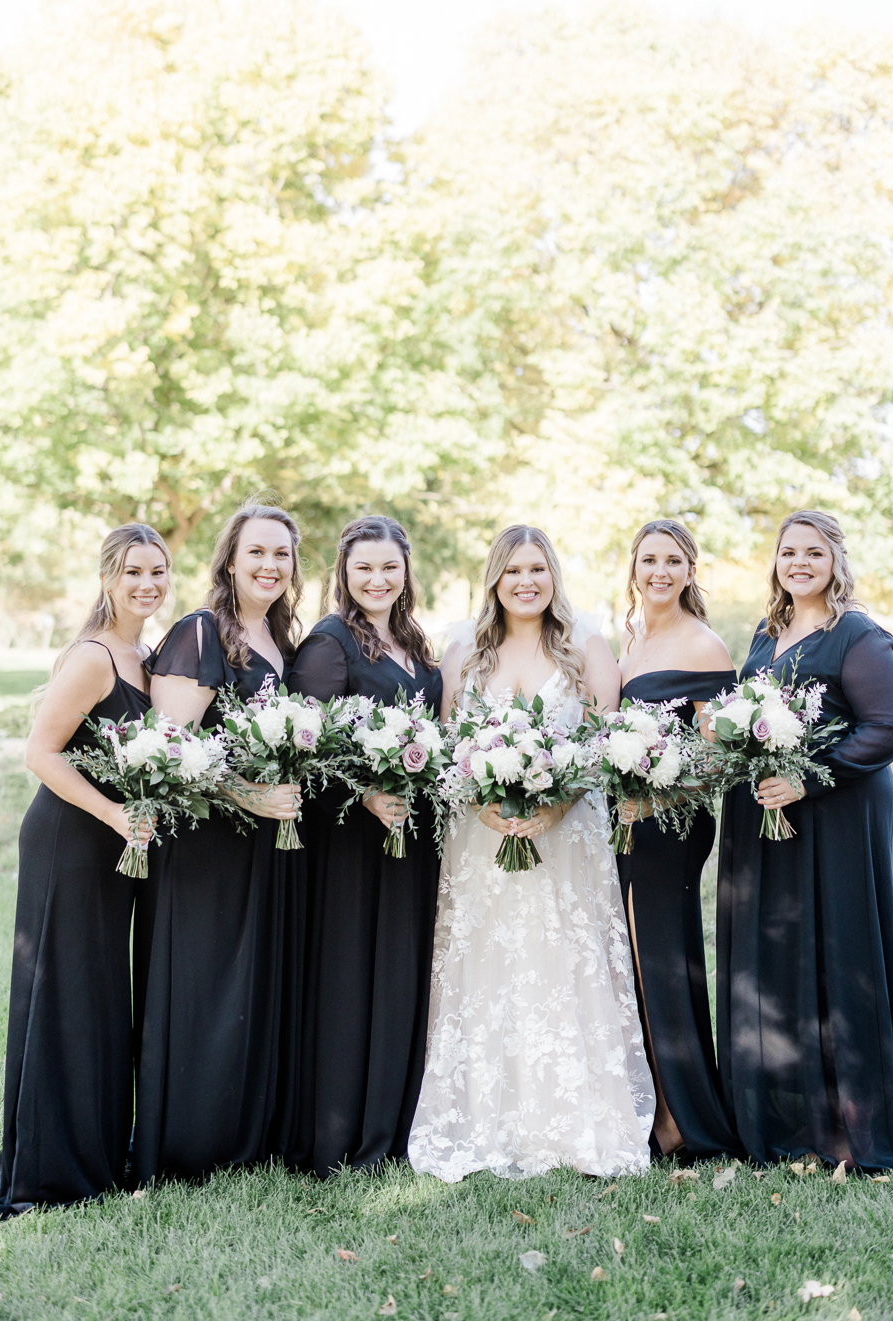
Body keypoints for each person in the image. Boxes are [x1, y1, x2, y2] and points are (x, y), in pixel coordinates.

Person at [715, 509, 893, 1173]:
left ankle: (857, 1123)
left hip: (841, 818)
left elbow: (887, 729)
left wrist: (806, 782)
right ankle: (795, 1117)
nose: (799, 563)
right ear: (774, 562)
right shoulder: (765, 633)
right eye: (788, 552)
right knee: (782, 960)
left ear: (834, 562)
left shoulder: (856, 634)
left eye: (813, 553)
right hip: (772, 821)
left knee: (841, 952)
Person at [408, 524, 655, 1181]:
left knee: (561, 959)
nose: (525, 581)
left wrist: (555, 804)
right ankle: (490, 1117)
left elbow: (604, 744)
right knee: (490, 963)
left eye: (537, 570)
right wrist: (486, 805)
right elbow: (446, 746)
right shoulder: (463, 647)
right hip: (481, 835)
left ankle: (573, 1120)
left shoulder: (585, 643)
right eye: (513, 570)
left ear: (553, 577)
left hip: (568, 833)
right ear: (494, 579)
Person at [0, 524, 171, 1215]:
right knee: (66, 993)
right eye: (133, 572)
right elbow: (41, 754)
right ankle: (51, 1167)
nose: (146, 585)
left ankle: (95, 1146)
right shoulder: (92, 657)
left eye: (157, 572)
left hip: (118, 846)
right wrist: (115, 815)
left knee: (102, 995)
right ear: (108, 578)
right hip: (70, 839)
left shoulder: (144, 654)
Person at [131, 502, 305, 1183]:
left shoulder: (281, 643)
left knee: (249, 985)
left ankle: (243, 1135)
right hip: (207, 844)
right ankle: (187, 1146)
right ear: (229, 560)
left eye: (281, 554)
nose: (268, 565)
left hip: (265, 844)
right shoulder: (200, 633)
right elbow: (170, 750)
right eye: (256, 552)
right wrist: (248, 795)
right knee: (203, 988)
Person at [286, 515, 443, 1178]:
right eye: (363, 569)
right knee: (351, 979)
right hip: (351, 843)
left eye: (388, 567)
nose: (376, 580)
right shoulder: (329, 644)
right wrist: (366, 795)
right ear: (343, 575)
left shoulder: (410, 639)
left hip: (412, 839)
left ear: (406, 571)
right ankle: (340, 1134)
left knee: (399, 975)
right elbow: (304, 753)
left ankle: (394, 1122)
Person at [616, 520, 742, 1161]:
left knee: (655, 961)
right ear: (632, 568)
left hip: (669, 826)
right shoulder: (630, 637)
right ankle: (649, 1106)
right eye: (649, 560)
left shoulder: (705, 647)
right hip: (624, 823)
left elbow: (724, 759)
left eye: (673, 561)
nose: (659, 572)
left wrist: (663, 793)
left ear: (691, 572)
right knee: (630, 963)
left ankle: (679, 1120)